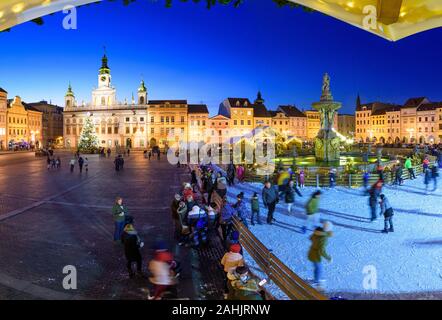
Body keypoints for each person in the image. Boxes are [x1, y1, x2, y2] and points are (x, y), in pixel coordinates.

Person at [307, 221, 333, 288]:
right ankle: (316, 281)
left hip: (312, 252)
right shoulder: (323, 238)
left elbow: (310, 238)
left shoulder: (317, 232)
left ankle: (317, 279)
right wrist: (328, 258)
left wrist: (316, 242)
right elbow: (322, 251)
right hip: (316, 255)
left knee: (317, 268)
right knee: (318, 268)